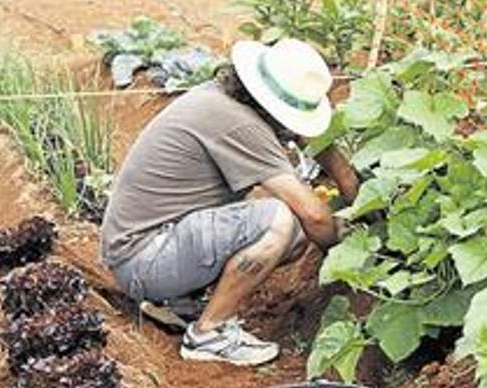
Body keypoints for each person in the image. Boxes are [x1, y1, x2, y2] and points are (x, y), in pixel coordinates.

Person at [100, 39, 359, 366]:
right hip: (143, 261)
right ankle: (209, 333)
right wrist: (349, 253)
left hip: (147, 248)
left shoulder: (224, 98)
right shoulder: (239, 124)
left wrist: (350, 184)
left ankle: (181, 301)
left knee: (290, 236)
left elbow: (313, 142)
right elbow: (315, 216)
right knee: (281, 220)